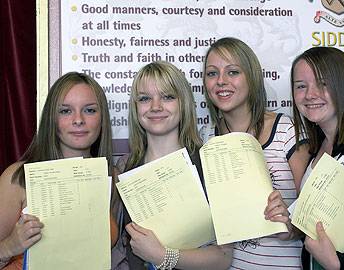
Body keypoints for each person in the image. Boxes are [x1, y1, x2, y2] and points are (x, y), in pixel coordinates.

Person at [200, 37, 310, 269]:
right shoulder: (206, 137)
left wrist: (288, 226)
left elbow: (313, 213)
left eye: (232, 72)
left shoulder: (287, 130)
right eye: (212, 73)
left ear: (251, 76)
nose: (221, 81)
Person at [116, 61, 233, 270]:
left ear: (184, 103)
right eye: (145, 98)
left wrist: (162, 256)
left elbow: (223, 257)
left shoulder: (207, 164)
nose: (155, 106)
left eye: (168, 96)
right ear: (135, 107)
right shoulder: (125, 168)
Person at [0, 72, 120, 269]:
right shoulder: (18, 178)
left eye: (89, 110)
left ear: (102, 118)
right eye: (65, 111)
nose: (78, 120)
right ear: (51, 119)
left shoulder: (112, 177)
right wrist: (9, 246)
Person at [291, 46, 344, 270]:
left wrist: (341, 264)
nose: (310, 94)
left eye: (322, 83)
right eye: (301, 86)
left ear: (343, 84)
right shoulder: (315, 148)